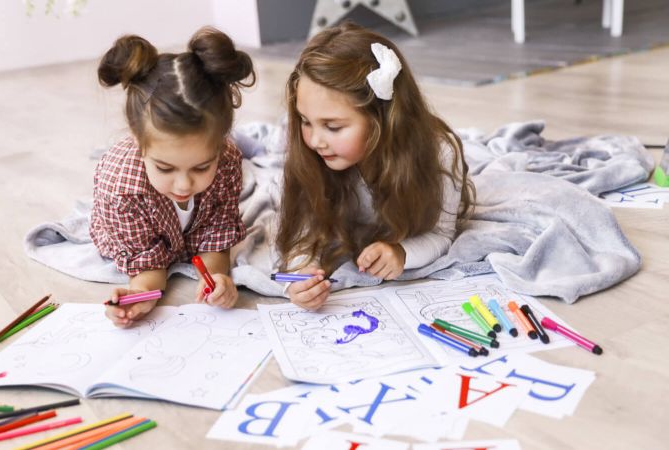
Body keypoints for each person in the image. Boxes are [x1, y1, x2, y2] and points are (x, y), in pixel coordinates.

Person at [276, 22, 475, 310]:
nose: (315, 140)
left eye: (332, 126)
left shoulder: (439, 155)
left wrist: (401, 252)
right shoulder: (311, 157)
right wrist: (300, 274)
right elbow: (302, 233)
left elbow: (441, 234)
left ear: (382, 120)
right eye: (305, 121)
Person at [91, 27, 255, 327]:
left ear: (220, 144)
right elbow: (150, 269)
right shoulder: (120, 187)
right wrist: (138, 297)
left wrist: (218, 278)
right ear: (138, 140)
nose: (183, 185)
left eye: (201, 167)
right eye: (165, 168)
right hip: (137, 236)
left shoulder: (229, 160)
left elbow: (215, 237)